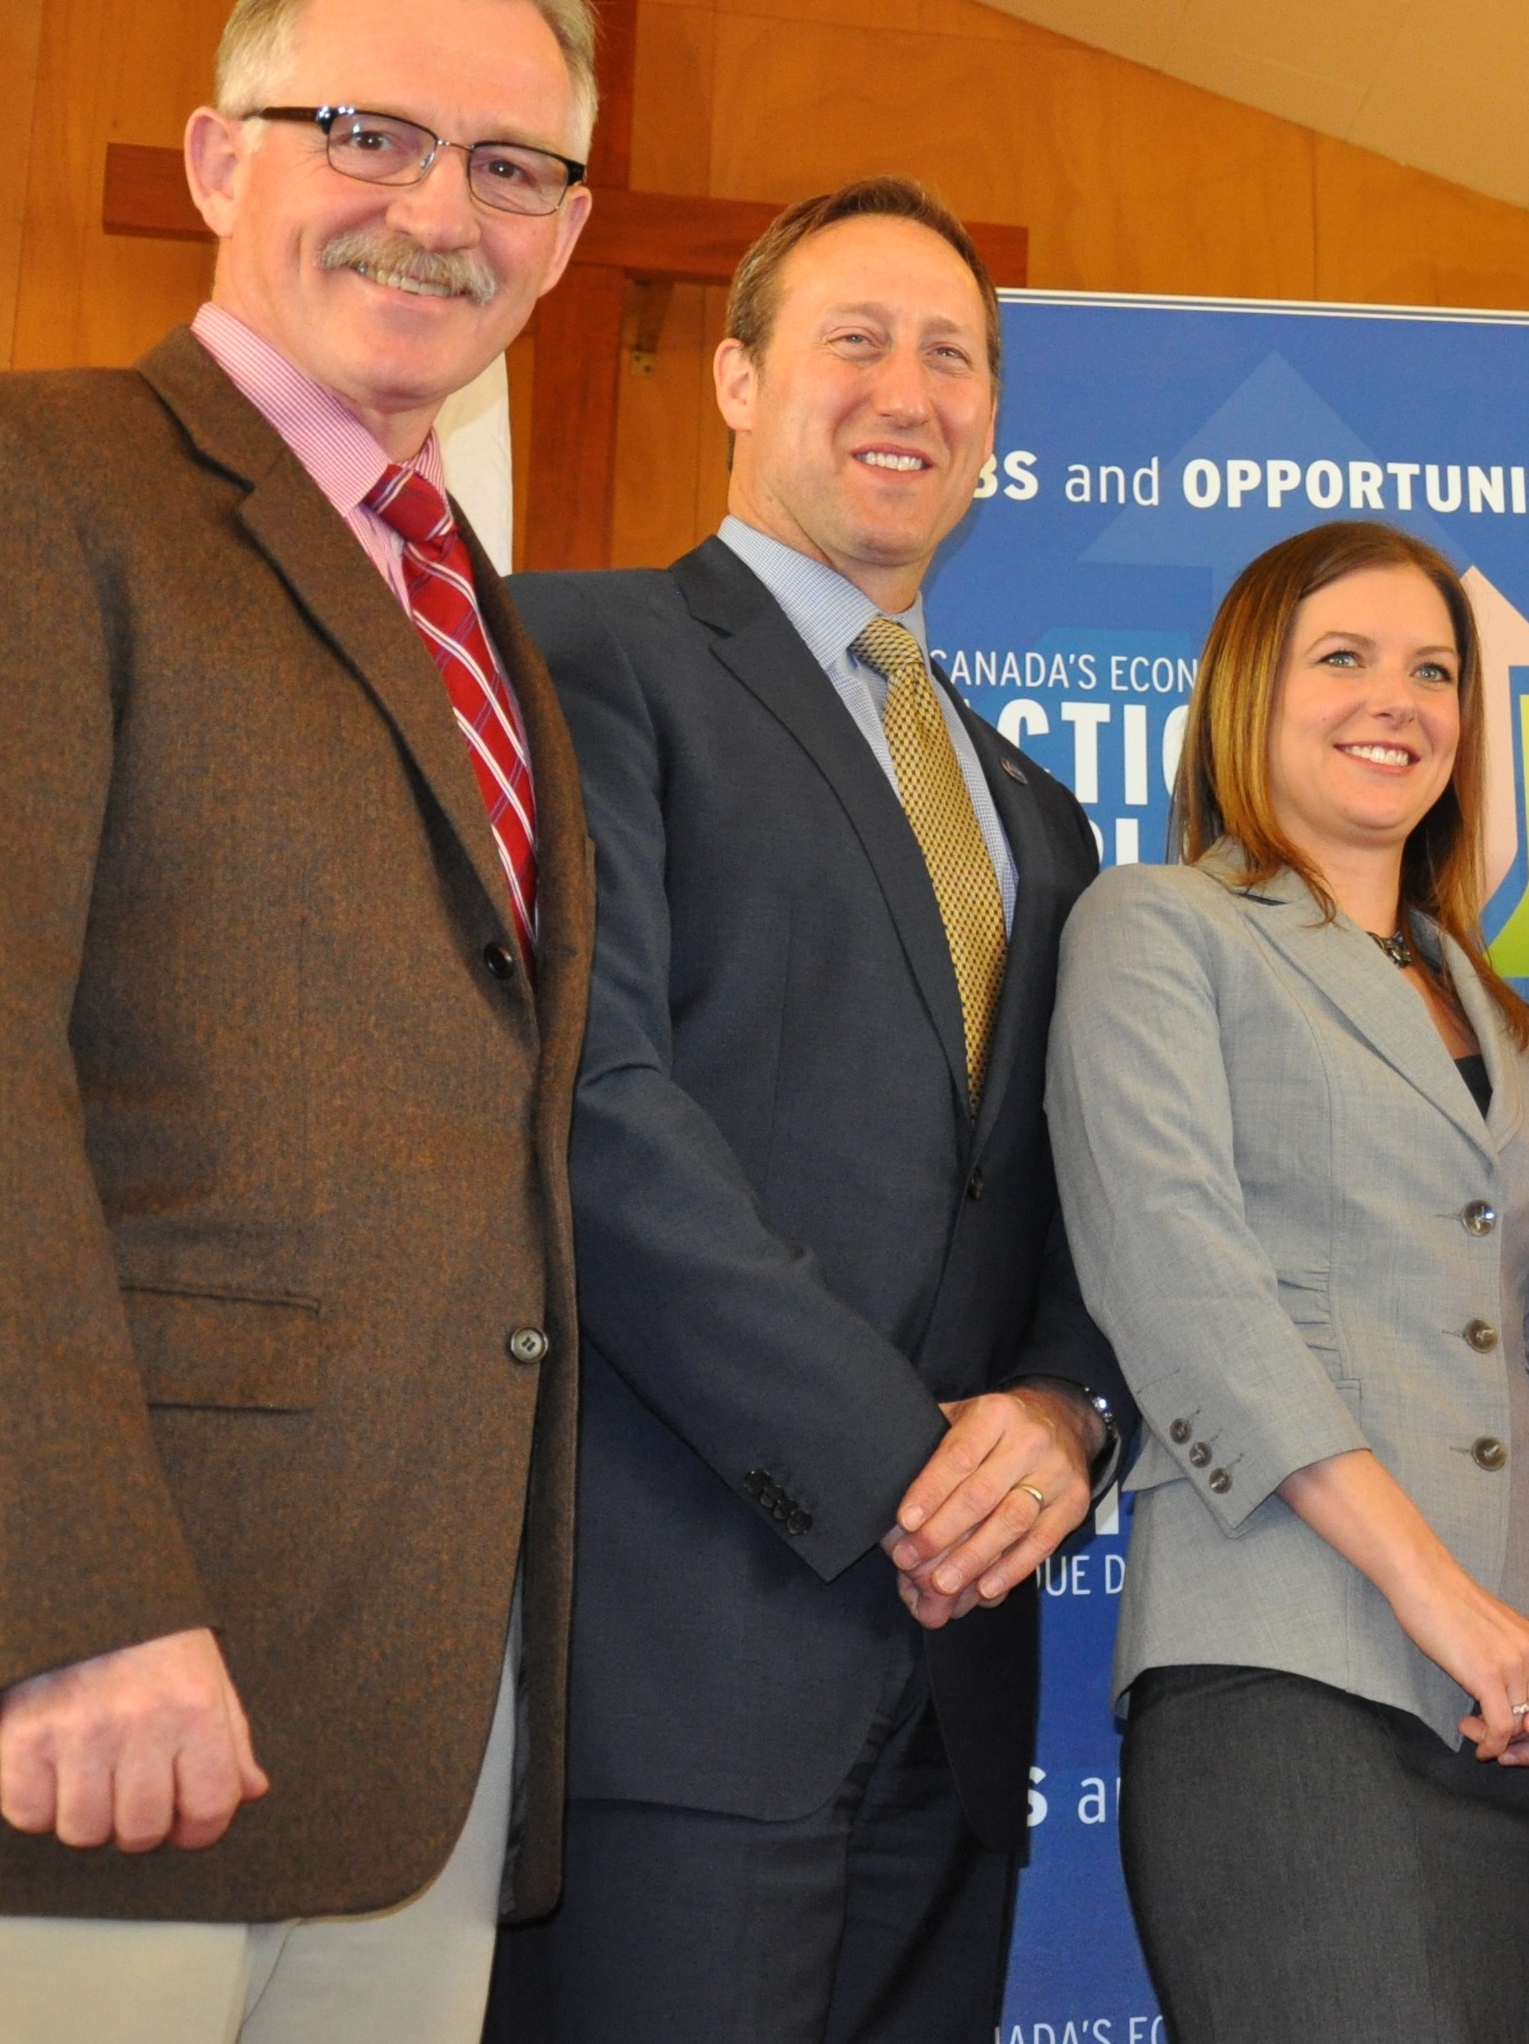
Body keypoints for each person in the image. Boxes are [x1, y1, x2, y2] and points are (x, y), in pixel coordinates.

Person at [0, 0, 598, 2040]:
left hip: (411, 1719)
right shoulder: (6, 474)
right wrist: (65, 1604)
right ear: (218, 160)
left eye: (511, 167)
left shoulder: (479, 611)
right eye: (368, 132)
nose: (437, 211)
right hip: (97, 1705)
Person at [483, 179, 1130, 2044]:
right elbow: (590, 1105)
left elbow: (1068, 1192)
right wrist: (891, 1460)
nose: (905, 389)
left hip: (958, 1696)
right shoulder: (577, 654)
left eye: (952, 356)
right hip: (684, 1667)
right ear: (738, 377)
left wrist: (1062, 1410)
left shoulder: (1034, 809)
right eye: (854, 338)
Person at [1049, 519, 1529, 2042]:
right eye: (1346, 657)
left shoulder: (1501, 1019)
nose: (1400, 698)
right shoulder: (1157, 927)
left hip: (1516, 1714)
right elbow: (1183, 1291)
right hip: (1284, 1676)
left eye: (1435, 669)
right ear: (1251, 690)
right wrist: (1441, 1599)